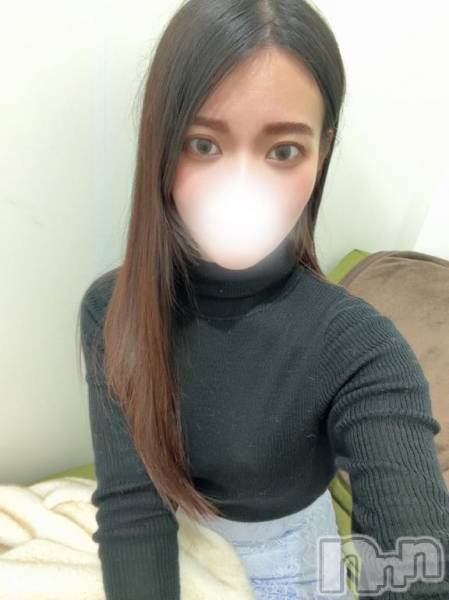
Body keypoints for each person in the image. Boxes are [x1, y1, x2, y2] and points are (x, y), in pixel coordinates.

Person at [78, 1, 449, 599]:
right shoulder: (113, 309)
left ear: (321, 152)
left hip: (295, 564)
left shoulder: (361, 347)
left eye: (283, 151)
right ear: (161, 143)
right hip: (182, 544)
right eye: (203, 144)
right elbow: (132, 508)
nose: (242, 186)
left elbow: (413, 562)